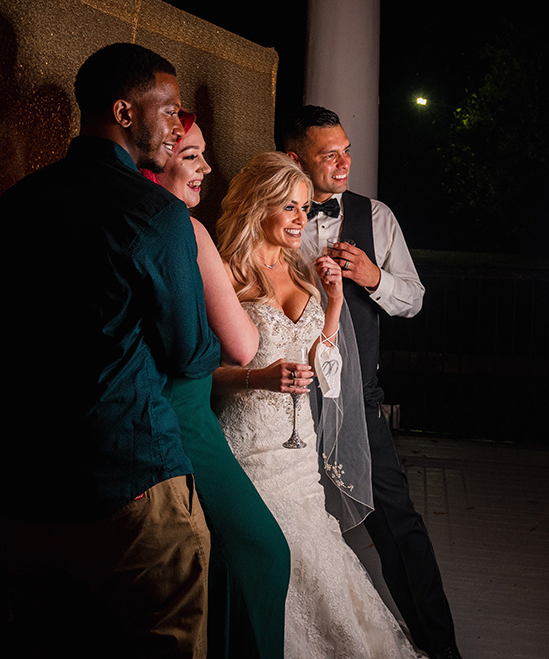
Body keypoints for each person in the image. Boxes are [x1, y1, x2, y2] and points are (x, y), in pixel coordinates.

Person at [0, 43, 219, 658]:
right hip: (128, 490)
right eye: (170, 110)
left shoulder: (9, 208)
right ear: (125, 112)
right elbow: (188, 353)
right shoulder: (154, 215)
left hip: (22, 496)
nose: (178, 127)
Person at [211, 152, 421, 659]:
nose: (302, 219)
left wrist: (332, 304)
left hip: (299, 451)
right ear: (258, 207)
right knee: (272, 557)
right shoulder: (223, 275)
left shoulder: (301, 267)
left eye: (306, 207)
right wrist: (257, 377)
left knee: (318, 555)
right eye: (290, 207)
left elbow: (325, 366)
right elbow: (198, 375)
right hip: (248, 450)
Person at [283, 105, 463, 659]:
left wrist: (373, 277)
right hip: (283, 400)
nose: (344, 163)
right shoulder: (273, 215)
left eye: (347, 150)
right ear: (296, 159)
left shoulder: (375, 215)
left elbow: (413, 300)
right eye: (328, 154)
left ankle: (441, 650)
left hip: (356, 400)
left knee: (399, 527)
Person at [145, 113, 290, 659]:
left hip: (138, 413)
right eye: (192, 155)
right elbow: (244, 345)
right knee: (264, 553)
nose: (207, 167)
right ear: (155, 158)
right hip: (186, 417)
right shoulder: (188, 229)